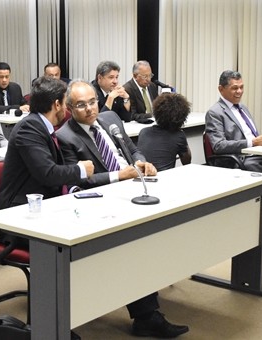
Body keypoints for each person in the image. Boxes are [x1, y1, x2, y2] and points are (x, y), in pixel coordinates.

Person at [56, 80, 189, 338]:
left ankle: (146, 309)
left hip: (132, 190)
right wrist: (119, 175)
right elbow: (78, 180)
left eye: (92, 102)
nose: (89, 109)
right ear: (70, 108)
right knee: (136, 245)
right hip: (101, 201)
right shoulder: (65, 137)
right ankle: (146, 316)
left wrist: (142, 162)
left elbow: (132, 149)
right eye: (81, 105)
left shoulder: (109, 121)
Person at [205, 70, 262, 234]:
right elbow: (218, 146)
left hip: (258, 155)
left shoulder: (243, 108)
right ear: (221, 89)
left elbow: (252, 135)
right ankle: (254, 227)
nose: (239, 92)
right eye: (235, 88)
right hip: (241, 159)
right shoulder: (215, 112)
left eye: (242, 87)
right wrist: (253, 142)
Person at [0, 76, 94, 210]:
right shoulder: (28, 128)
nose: (66, 109)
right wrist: (81, 169)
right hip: (21, 208)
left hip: (45, 201)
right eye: (65, 103)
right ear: (57, 104)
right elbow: (48, 174)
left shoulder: (41, 125)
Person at [137, 92, 191, 171]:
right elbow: (186, 162)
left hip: (143, 177)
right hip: (164, 179)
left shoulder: (143, 132)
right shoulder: (178, 136)